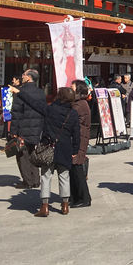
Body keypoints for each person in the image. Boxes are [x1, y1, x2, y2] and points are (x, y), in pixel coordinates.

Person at [32, 87, 81, 218]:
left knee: (46, 176)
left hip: (48, 148)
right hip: (65, 148)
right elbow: (76, 134)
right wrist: (75, 150)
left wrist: (19, 93)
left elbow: (34, 104)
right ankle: (65, 205)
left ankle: (44, 206)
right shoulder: (73, 113)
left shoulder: (50, 109)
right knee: (64, 176)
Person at [9, 69, 45, 188]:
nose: (22, 76)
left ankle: (27, 181)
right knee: (33, 154)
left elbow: (16, 113)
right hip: (37, 128)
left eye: (24, 75)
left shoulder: (21, 92)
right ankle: (35, 180)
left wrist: (13, 131)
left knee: (22, 155)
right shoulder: (41, 92)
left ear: (29, 77)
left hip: (23, 128)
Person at [69, 80, 92, 208]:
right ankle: (75, 196)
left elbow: (70, 118)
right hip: (76, 137)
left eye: (72, 86)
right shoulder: (77, 103)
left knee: (77, 168)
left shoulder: (80, 104)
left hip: (79, 138)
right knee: (73, 168)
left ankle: (84, 198)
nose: (70, 88)